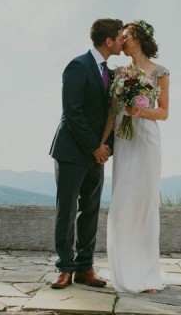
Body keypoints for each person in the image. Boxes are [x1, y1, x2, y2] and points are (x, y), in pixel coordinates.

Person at [49, 18, 124, 289]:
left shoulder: (113, 74)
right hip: (72, 151)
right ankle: (64, 268)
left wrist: (105, 149)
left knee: (90, 211)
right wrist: (94, 146)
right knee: (67, 211)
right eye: (120, 37)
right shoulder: (77, 66)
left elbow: (110, 113)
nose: (122, 41)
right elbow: (72, 112)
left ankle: (84, 268)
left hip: (98, 154)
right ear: (109, 41)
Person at [101, 19, 170, 293]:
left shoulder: (160, 72)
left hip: (147, 142)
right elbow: (111, 113)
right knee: (123, 203)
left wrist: (139, 111)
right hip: (125, 143)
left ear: (138, 38)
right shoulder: (119, 73)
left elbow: (164, 112)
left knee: (144, 204)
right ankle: (124, 270)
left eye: (126, 35)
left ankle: (146, 273)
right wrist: (101, 143)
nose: (122, 40)